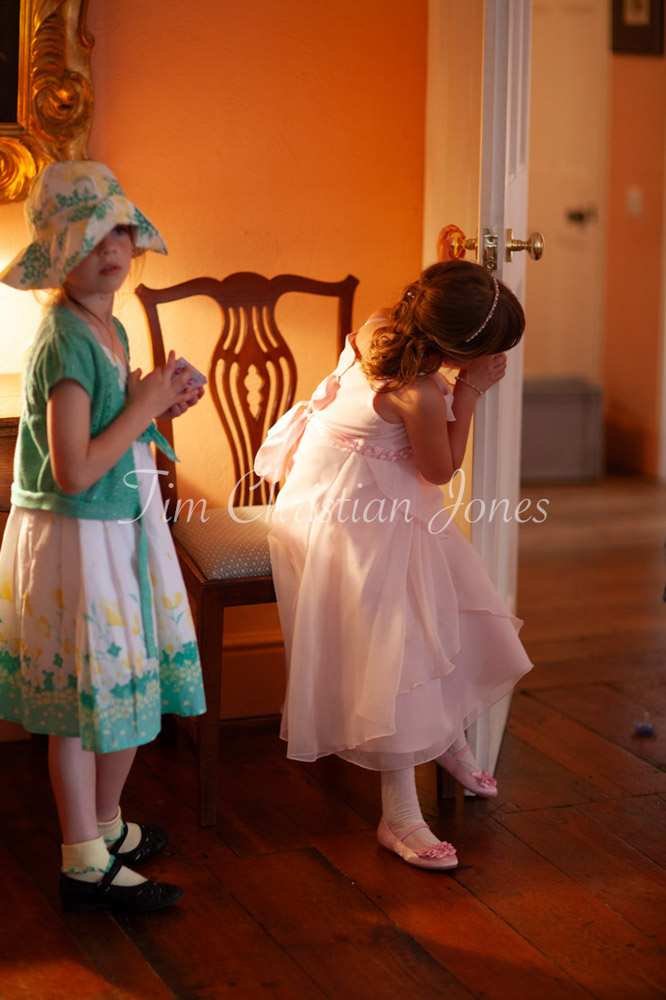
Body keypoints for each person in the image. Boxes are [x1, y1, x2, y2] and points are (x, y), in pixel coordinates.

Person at [254, 247, 533, 871]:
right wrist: (471, 392)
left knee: (449, 588)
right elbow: (440, 468)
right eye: (488, 353)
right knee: (398, 636)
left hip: (354, 493)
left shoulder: (383, 323)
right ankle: (399, 813)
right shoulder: (421, 394)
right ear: (458, 352)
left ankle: (444, 733)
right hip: (338, 520)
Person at [0, 160, 206, 911]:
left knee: (126, 686)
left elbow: (111, 432)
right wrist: (143, 405)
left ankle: (107, 825)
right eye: (88, 238)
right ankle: (82, 859)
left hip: (118, 528)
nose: (110, 248)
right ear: (57, 256)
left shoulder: (108, 325)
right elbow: (76, 468)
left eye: (118, 230)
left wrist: (158, 401)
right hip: (78, 539)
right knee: (84, 704)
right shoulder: (64, 340)